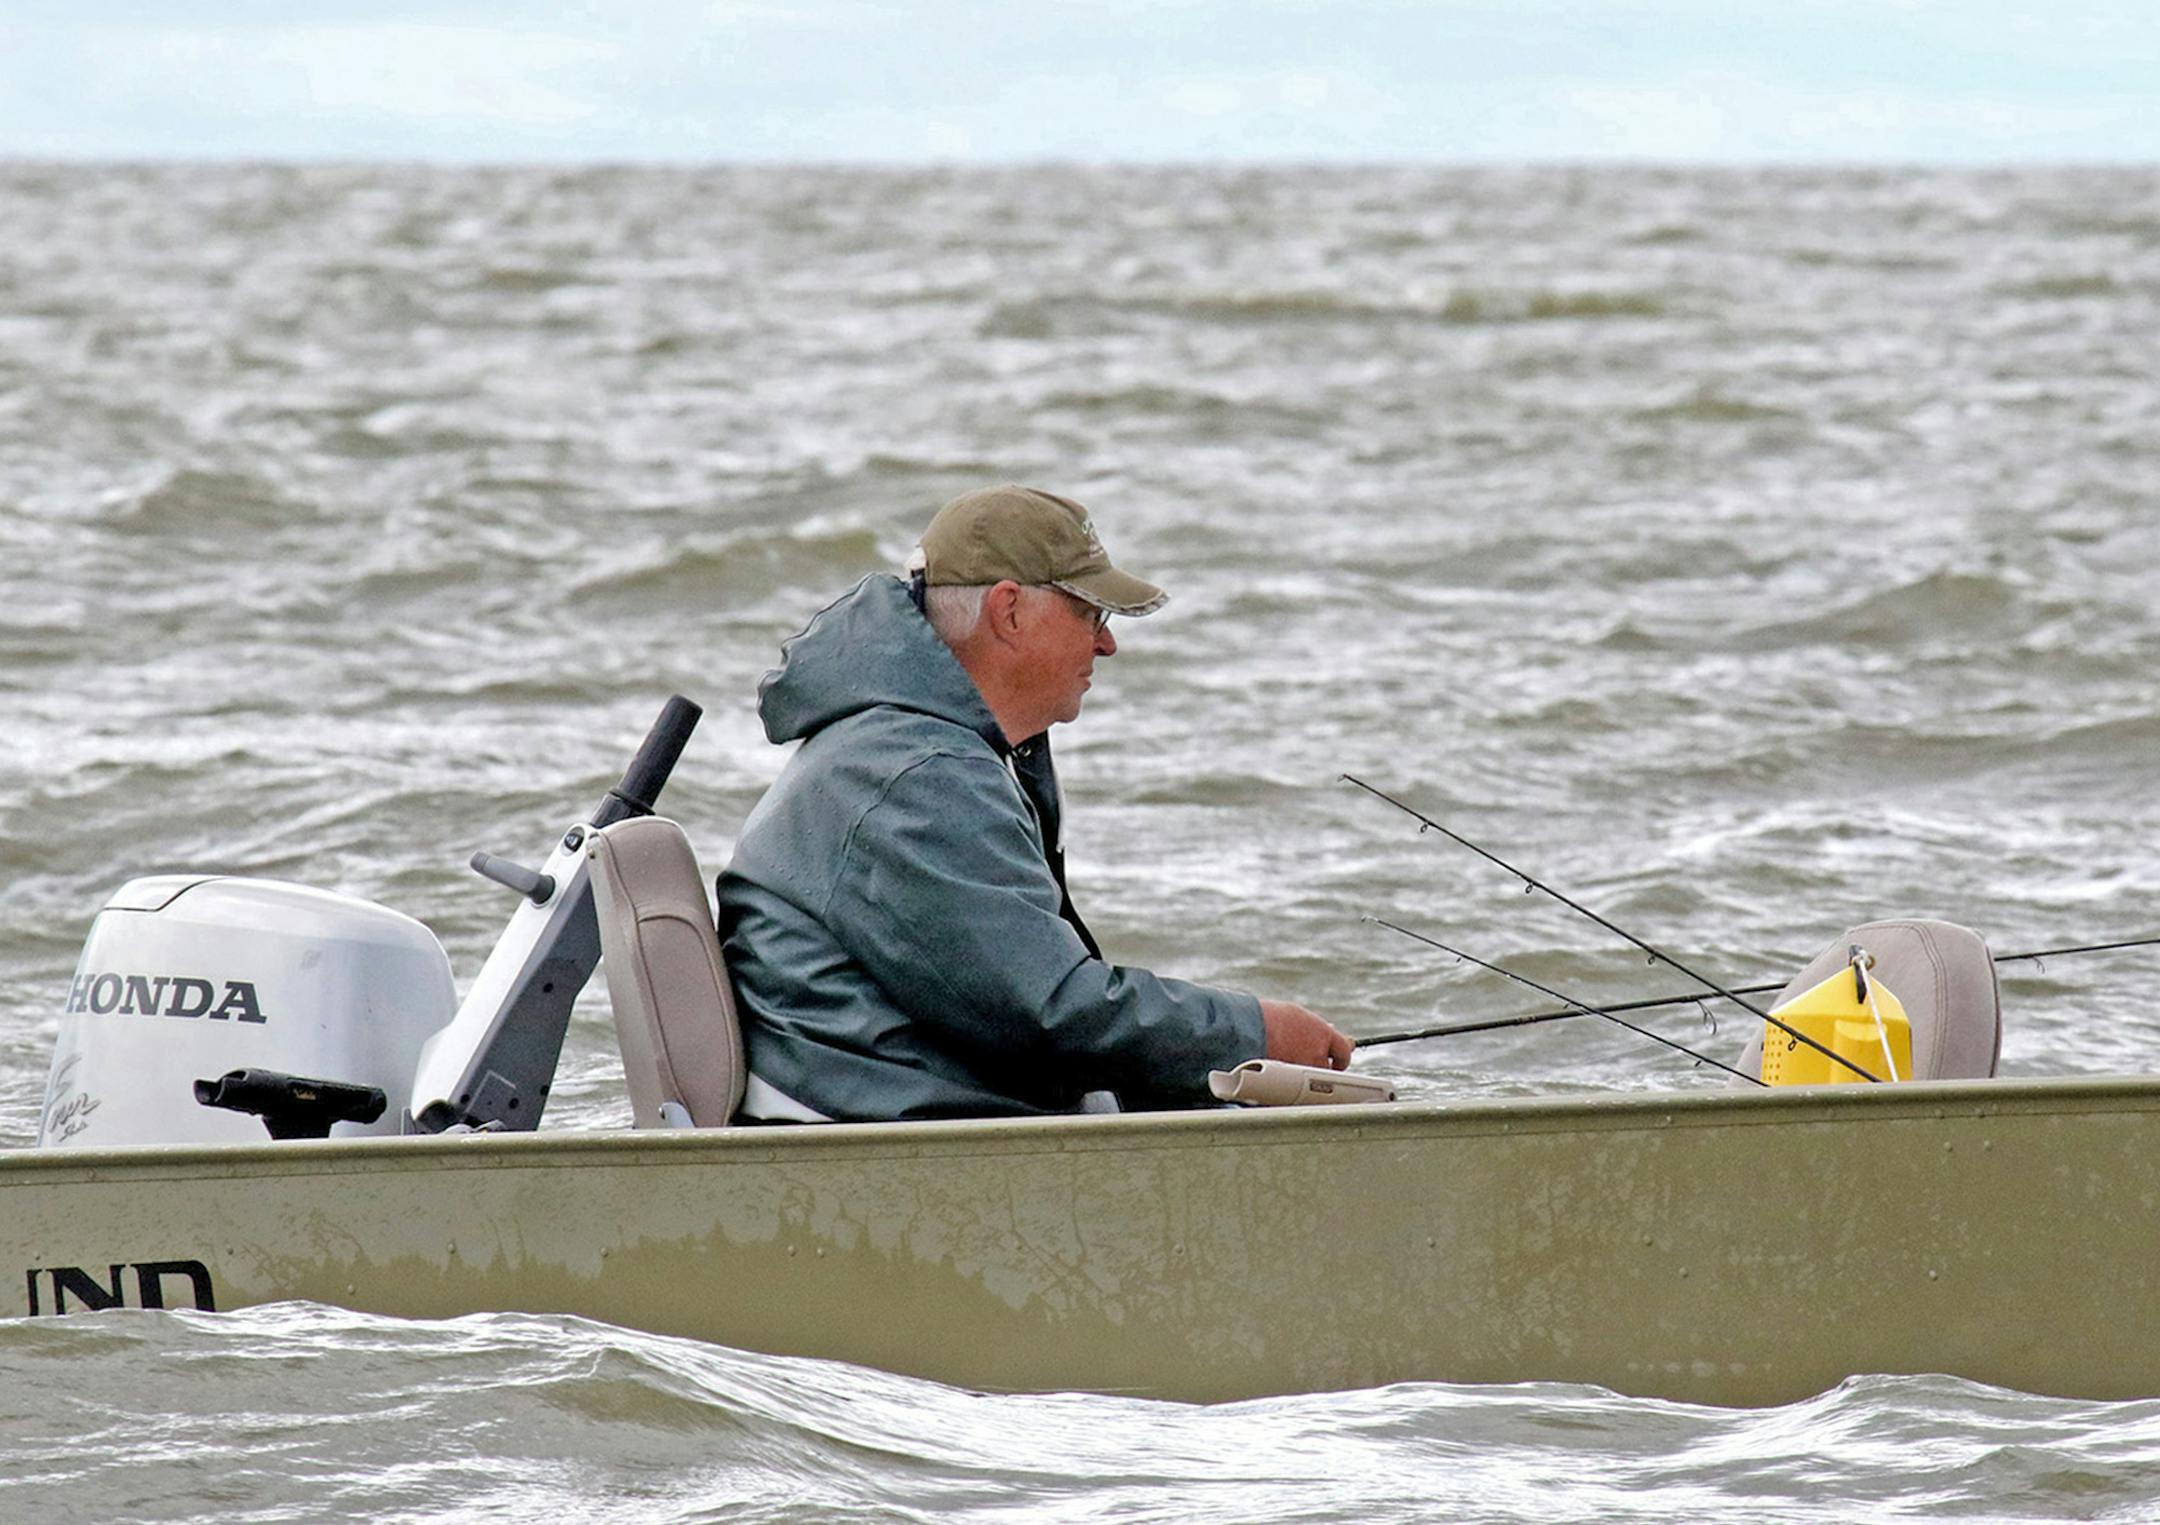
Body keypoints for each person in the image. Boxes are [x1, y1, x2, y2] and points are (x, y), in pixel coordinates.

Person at [714, 484, 1352, 1122]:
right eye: (1091, 615)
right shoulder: (918, 775)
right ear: (1009, 611)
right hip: (889, 1141)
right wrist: (1254, 1034)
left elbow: (1027, 1011)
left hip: (906, 1104)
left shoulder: (909, 749)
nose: (1107, 645)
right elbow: (1046, 1011)